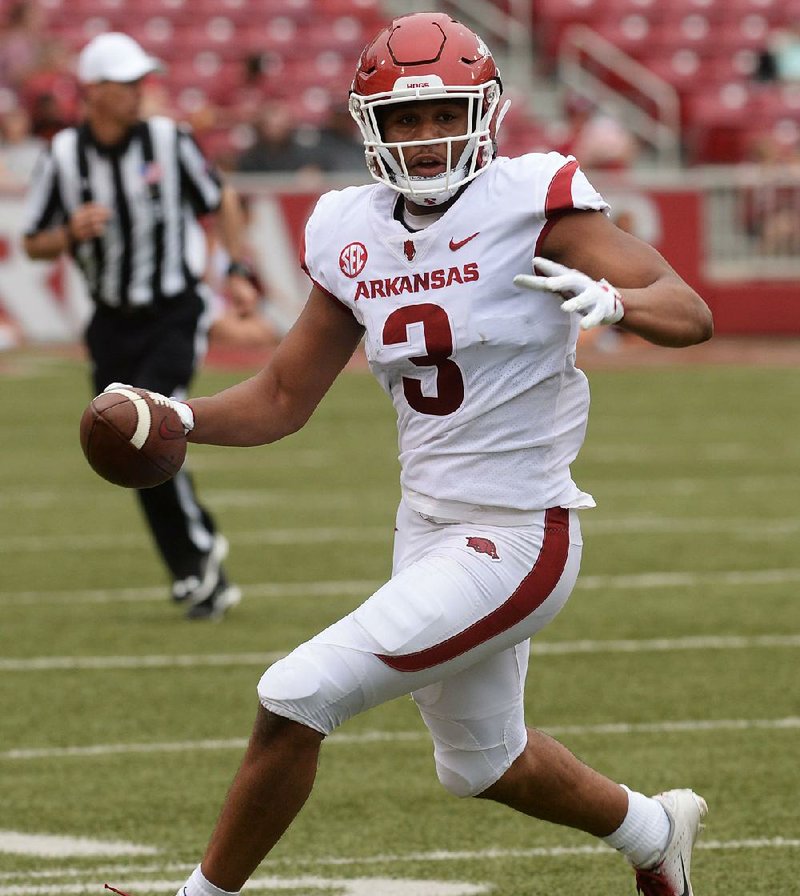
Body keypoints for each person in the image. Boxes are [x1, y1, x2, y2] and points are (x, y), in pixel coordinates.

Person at [108, 12, 713, 895]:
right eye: (404, 120)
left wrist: (617, 301)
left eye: (443, 116)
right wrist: (177, 418)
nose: (427, 139)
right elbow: (281, 397)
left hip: (517, 534)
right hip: (426, 525)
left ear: (485, 114)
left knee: (295, 692)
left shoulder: (534, 202)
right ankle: (654, 831)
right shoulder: (352, 229)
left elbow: (688, 308)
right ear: (372, 128)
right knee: (481, 765)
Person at [22, 31, 261, 620]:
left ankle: (198, 559)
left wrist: (235, 268)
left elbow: (219, 199)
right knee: (121, 442)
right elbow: (32, 243)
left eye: (139, 82)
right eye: (125, 84)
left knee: (150, 424)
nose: (138, 93)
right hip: (110, 321)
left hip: (174, 313)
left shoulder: (167, 139)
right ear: (94, 92)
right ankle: (197, 563)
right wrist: (69, 233)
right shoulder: (62, 157)